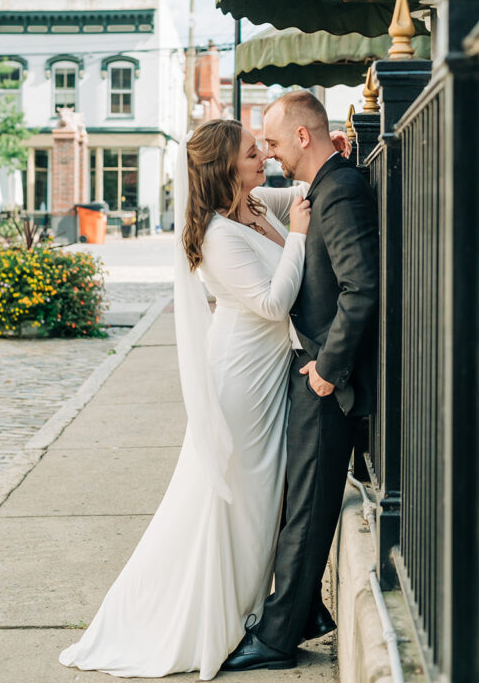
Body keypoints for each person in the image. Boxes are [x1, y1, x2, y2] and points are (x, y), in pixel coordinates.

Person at [59, 118, 311, 679]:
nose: (262, 157)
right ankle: (210, 617)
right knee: (236, 503)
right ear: (226, 167)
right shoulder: (220, 235)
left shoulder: (256, 203)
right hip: (240, 382)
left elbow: (301, 186)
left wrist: (327, 157)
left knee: (259, 502)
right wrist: (296, 235)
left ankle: (247, 609)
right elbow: (272, 305)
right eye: (252, 152)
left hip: (268, 374)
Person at [222, 90, 379, 672]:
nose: (271, 152)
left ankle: (279, 637)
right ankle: (306, 608)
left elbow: (361, 289)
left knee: (308, 504)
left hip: (324, 374)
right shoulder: (324, 187)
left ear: (304, 137)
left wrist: (326, 370)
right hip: (309, 366)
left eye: (274, 141)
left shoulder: (339, 192)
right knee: (297, 500)